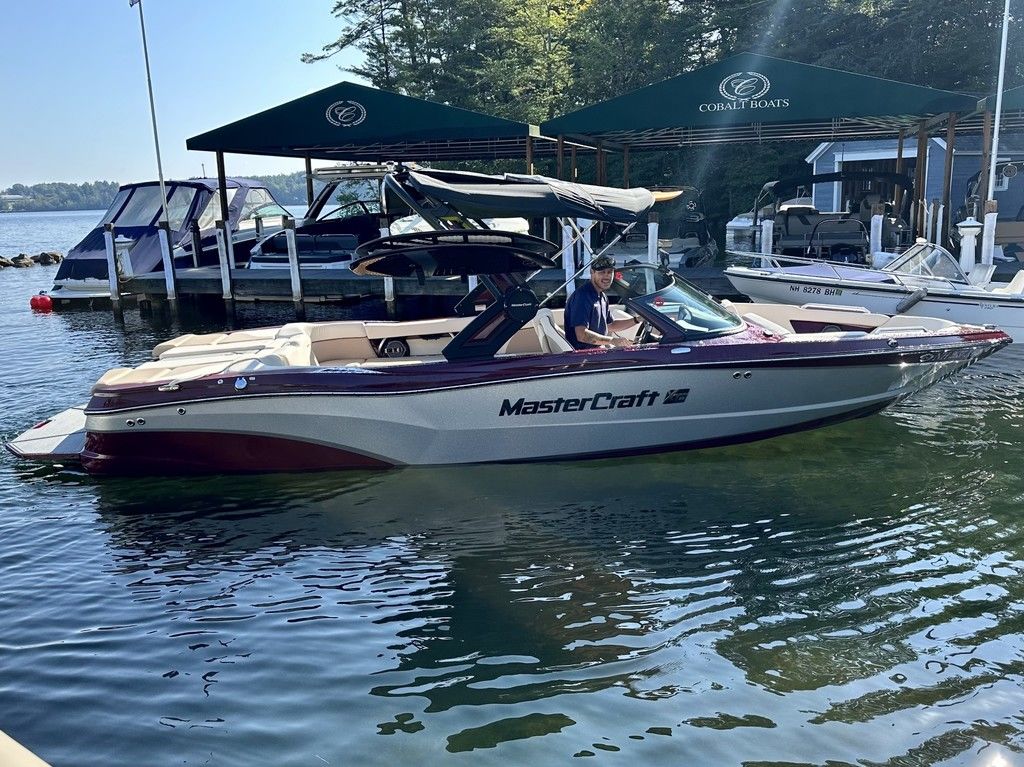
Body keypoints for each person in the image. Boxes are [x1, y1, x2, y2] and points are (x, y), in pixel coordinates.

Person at [563, 255, 637, 350]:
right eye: (602, 272)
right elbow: (581, 335)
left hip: (598, 351)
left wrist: (638, 319)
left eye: (610, 272)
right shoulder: (583, 297)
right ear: (592, 272)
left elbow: (611, 325)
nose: (607, 276)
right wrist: (612, 341)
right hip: (584, 355)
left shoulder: (602, 297)